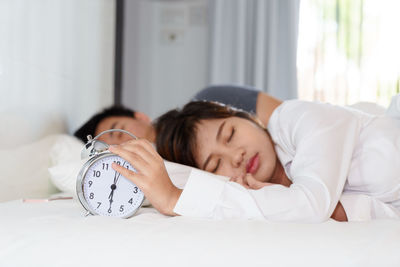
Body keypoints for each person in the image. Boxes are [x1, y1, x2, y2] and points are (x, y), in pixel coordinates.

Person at [109, 96, 400, 223]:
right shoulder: (274, 194)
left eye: (231, 133)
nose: (236, 157)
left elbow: (312, 207)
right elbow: (381, 213)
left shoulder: (297, 118)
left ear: (243, 115)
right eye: (214, 165)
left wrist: (175, 198)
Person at [74, 85, 281, 144]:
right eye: (111, 147)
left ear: (140, 116)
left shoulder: (210, 98)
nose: (121, 140)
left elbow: (283, 113)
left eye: (118, 131)